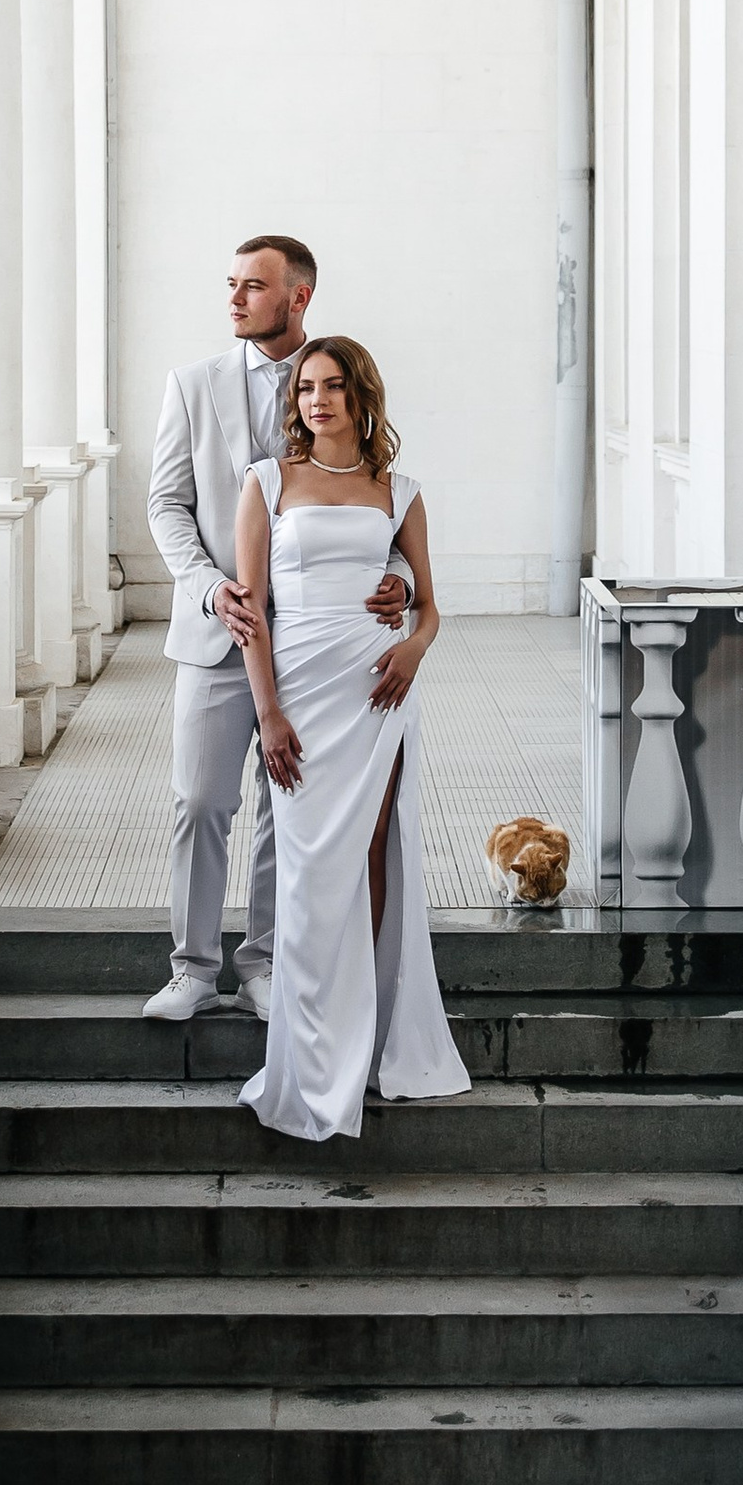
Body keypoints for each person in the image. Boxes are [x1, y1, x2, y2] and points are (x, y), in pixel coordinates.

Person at [141, 233, 405, 1023]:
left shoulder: (336, 379)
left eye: (252, 285)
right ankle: (192, 968)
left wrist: (401, 576)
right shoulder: (193, 384)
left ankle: (262, 961)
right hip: (221, 635)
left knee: (285, 805)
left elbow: (381, 501)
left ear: (298, 296)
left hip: (318, 646)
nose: (234, 297)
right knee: (200, 801)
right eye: (231, 283)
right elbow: (167, 505)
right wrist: (208, 588)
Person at [231, 337, 470, 1141]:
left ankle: (358, 1038)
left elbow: (430, 606)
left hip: (376, 691)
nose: (317, 400)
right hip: (299, 693)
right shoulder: (266, 483)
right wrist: (268, 712)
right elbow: (251, 612)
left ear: (361, 395)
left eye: (333, 386)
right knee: (307, 874)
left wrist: (412, 646)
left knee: (370, 856)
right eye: (306, 387)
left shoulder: (398, 492)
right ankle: (307, 1057)